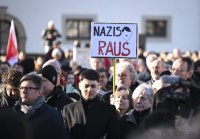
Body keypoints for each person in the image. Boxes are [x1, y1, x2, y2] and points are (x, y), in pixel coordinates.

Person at [62, 69, 120, 139]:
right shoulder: (68, 110)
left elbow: (114, 136)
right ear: (80, 86)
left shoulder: (109, 110)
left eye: (93, 86)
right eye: (86, 86)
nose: (89, 89)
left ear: (98, 86)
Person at [12, 73, 67, 139]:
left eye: (28, 88)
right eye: (21, 88)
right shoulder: (12, 112)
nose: (23, 91)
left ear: (39, 92)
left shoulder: (52, 115)